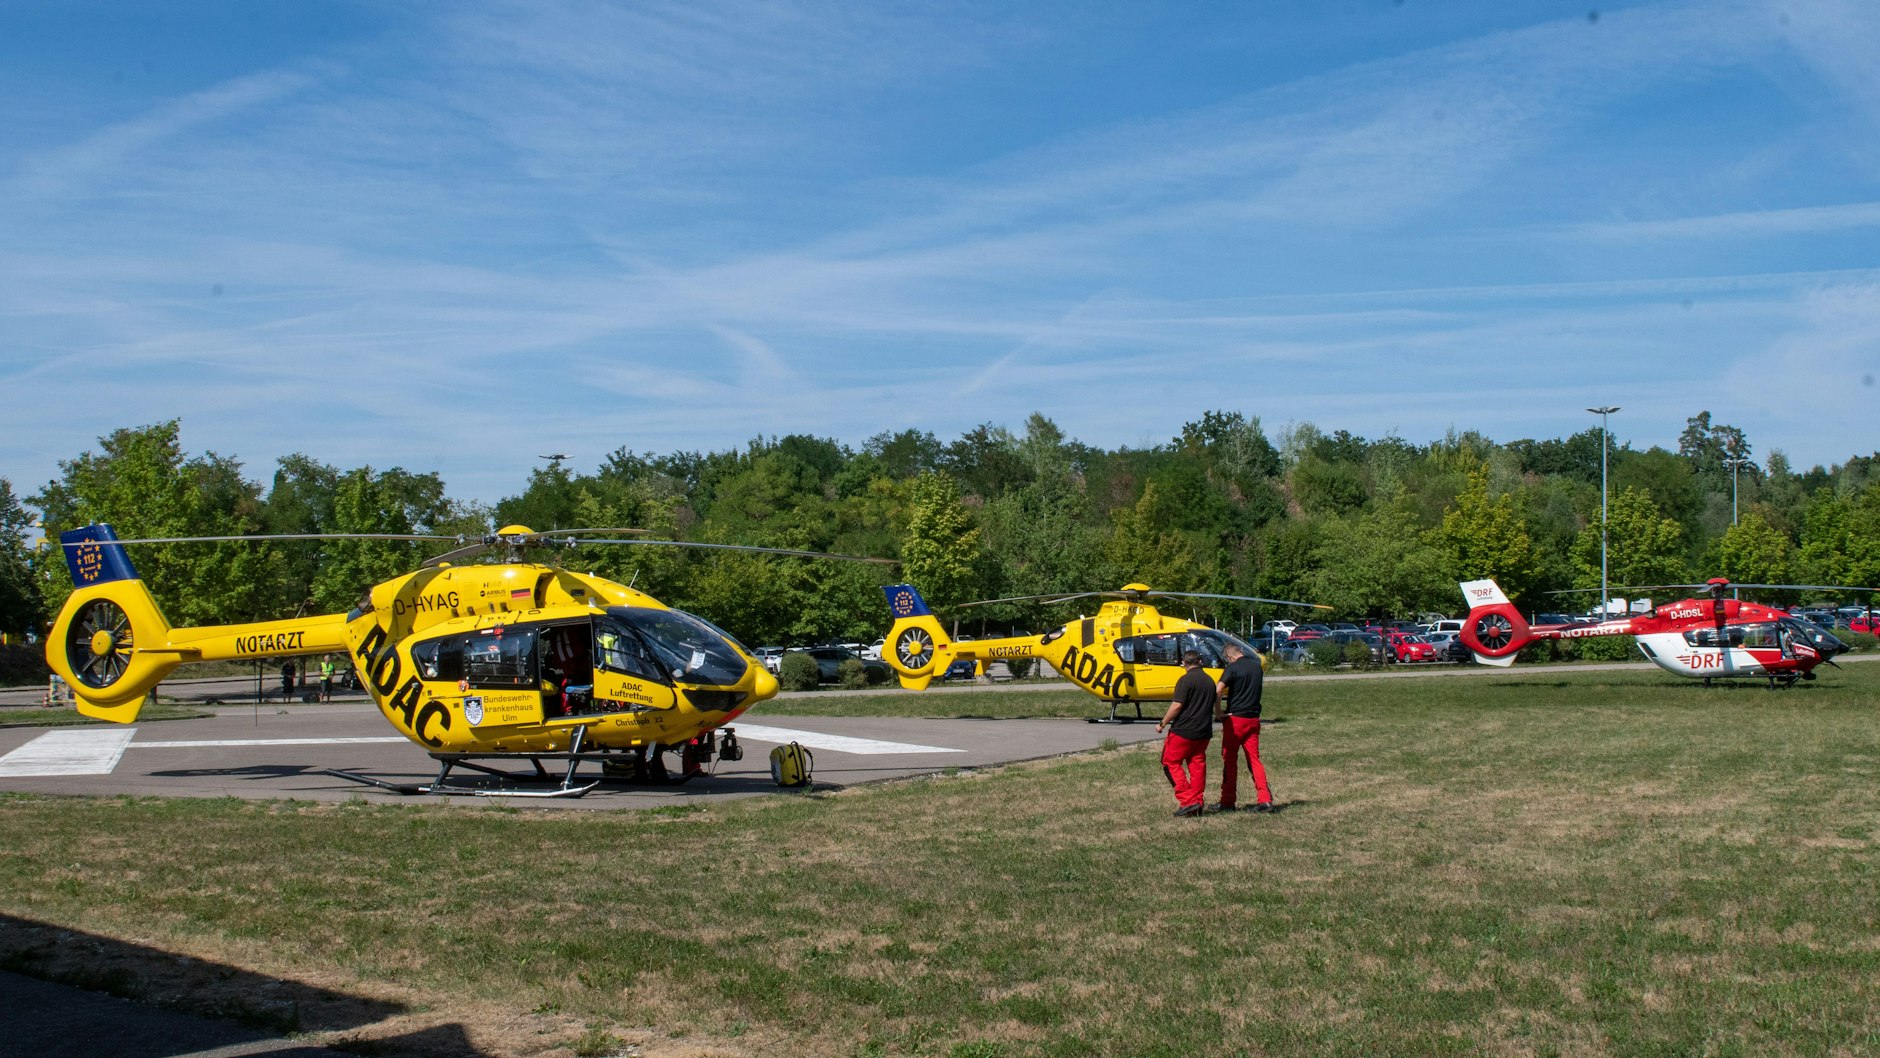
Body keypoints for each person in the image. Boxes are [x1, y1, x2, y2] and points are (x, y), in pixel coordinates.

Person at [1212, 641, 1275, 813]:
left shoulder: (1232, 668)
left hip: (1235, 720)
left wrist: (1218, 712)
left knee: (1230, 759)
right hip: (1253, 718)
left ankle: (1227, 800)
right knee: (1254, 760)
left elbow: (1218, 690)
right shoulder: (1256, 667)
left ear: (1229, 657)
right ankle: (1265, 799)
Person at [1156, 651, 1217, 817]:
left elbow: (1177, 705)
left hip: (1184, 730)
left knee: (1170, 762)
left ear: (1184, 663)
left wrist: (1162, 723)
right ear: (1200, 661)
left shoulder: (1185, 680)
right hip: (1203, 731)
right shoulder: (1210, 681)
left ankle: (1188, 800)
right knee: (1197, 764)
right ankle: (1197, 802)